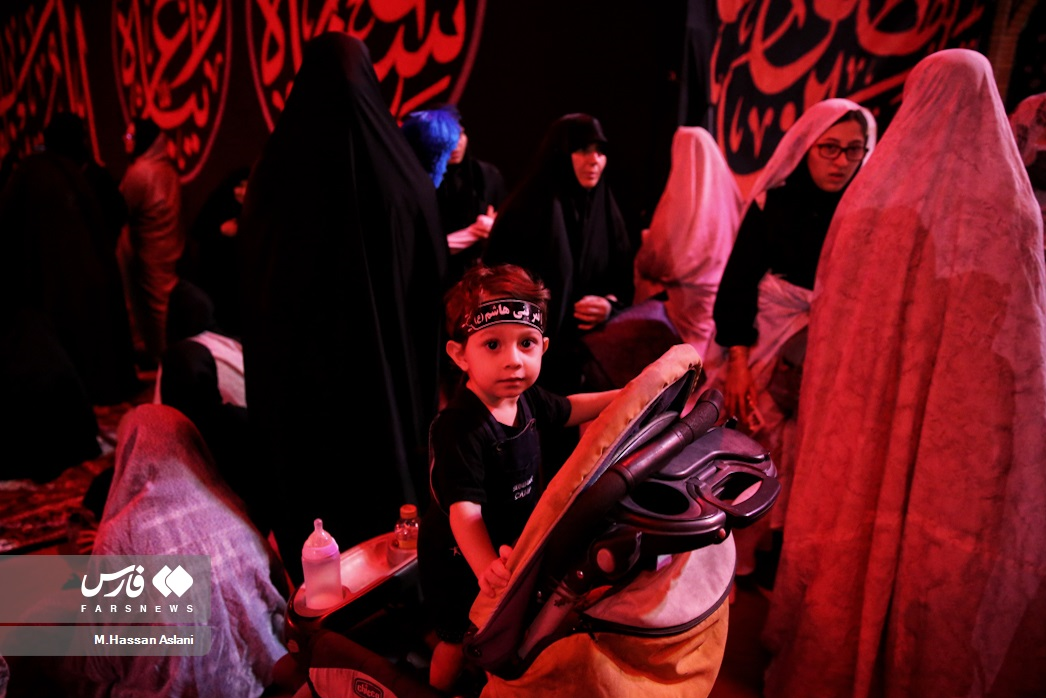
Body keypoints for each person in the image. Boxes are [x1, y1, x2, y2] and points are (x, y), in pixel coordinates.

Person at [762, 48, 1046, 698]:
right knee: (939, 550)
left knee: (857, 524)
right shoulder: (1011, 208)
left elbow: (838, 331)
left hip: (865, 415)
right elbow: (1023, 342)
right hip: (963, 427)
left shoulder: (870, 201)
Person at [238, 32, 449, 584]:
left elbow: (256, 283)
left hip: (305, 390)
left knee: (313, 498)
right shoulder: (403, 178)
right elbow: (430, 278)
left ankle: (316, 588)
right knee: (389, 496)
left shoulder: (275, 177)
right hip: (388, 385)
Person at [418, 263, 619, 693]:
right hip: (461, 562)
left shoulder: (526, 398)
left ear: (543, 347)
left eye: (526, 343)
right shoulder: (459, 428)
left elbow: (570, 408)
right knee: (457, 640)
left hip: (510, 550)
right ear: (460, 355)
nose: (513, 360)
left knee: (502, 632)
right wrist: (485, 568)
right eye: (492, 345)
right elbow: (465, 514)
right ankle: (435, 690)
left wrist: (625, 396)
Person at [707, 98, 876, 584]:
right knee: (752, 448)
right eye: (829, 148)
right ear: (806, 148)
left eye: (854, 150)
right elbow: (738, 287)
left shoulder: (865, 213)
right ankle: (728, 565)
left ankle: (782, 562)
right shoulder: (773, 205)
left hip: (831, 355)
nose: (841, 162)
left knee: (810, 457)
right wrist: (738, 362)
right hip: (762, 346)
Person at [62, 404, 288, 697]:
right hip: (259, 678)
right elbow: (276, 590)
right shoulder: (230, 509)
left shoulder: (119, 535)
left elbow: (101, 656)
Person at [483, 113, 634, 398]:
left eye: (600, 152)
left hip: (584, 364)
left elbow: (622, 280)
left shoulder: (606, 212)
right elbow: (497, 283)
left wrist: (608, 305)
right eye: (583, 150)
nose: (594, 160)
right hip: (526, 364)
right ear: (561, 155)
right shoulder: (525, 211)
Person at [633, 125, 743, 362]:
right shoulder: (728, 201)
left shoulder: (683, 204)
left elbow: (659, 260)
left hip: (678, 316)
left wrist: (646, 245)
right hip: (710, 313)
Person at [117, 115, 185, 366]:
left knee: (157, 309)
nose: (125, 140)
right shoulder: (167, 169)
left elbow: (118, 209)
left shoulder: (140, 172)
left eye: (130, 136)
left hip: (152, 252)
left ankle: (165, 361)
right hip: (170, 249)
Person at [434, 104, 507, 283]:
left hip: (479, 277)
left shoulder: (487, 175)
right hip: (434, 276)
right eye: (447, 136)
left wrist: (493, 227)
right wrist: (473, 232)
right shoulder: (425, 180)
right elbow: (426, 247)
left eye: (460, 134)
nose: (455, 144)